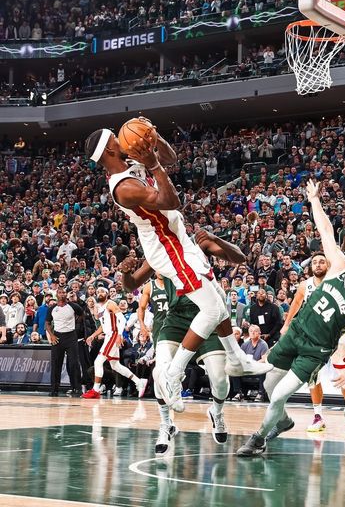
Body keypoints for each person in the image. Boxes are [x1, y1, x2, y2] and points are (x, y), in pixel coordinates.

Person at [85, 125, 270, 411]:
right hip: (166, 246)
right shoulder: (124, 187)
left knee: (220, 300)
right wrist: (153, 163)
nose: (122, 138)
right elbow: (172, 201)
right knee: (211, 310)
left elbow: (170, 160)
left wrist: (153, 139)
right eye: (115, 138)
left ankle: (235, 359)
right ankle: (172, 375)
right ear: (110, 149)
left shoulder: (130, 160)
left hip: (177, 237)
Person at [236, 180, 345, 457]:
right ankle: (283, 421)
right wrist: (314, 199)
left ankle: (258, 438)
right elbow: (326, 231)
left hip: (314, 351)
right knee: (269, 384)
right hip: (294, 334)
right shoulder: (339, 267)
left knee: (281, 394)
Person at [122, 229, 244, 455]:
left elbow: (239, 258)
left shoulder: (199, 246)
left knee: (219, 378)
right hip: (176, 319)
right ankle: (166, 424)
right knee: (161, 371)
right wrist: (126, 273)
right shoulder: (157, 255)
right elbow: (130, 286)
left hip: (206, 314)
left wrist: (216, 238)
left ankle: (216, 412)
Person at [281, 252, 345, 431]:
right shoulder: (304, 285)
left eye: (321, 262)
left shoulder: (338, 283)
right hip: (312, 338)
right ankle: (318, 415)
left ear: (328, 265)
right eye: (314, 262)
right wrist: (286, 324)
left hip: (335, 336)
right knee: (312, 378)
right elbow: (295, 304)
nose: (317, 265)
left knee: (344, 373)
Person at [81, 287, 148, 399]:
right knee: (116, 366)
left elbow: (122, 319)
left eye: (102, 291)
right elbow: (103, 326)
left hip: (113, 335)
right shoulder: (101, 308)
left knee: (98, 361)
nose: (99, 293)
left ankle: (95, 390)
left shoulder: (110, 303)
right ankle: (139, 382)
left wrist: (119, 335)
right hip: (108, 335)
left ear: (107, 294)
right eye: (98, 292)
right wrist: (93, 336)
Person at [45, 288, 83, 397]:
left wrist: (76, 323)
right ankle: (54, 389)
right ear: (56, 295)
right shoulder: (52, 308)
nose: (62, 294)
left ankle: (76, 388)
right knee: (56, 364)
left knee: (73, 363)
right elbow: (47, 323)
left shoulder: (73, 306)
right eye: (60, 293)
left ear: (66, 294)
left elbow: (82, 314)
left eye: (64, 293)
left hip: (71, 336)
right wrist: (52, 336)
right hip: (57, 336)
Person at [230, 325, 269, 402]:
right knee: (234, 369)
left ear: (259, 333)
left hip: (257, 367)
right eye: (251, 331)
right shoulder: (245, 344)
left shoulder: (263, 344)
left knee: (263, 371)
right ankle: (238, 393)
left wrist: (254, 364)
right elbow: (240, 357)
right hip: (247, 367)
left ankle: (261, 393)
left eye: (255, 331)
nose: (253, 333)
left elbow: (264, 359)